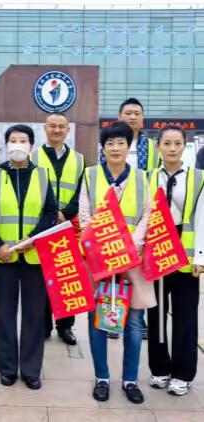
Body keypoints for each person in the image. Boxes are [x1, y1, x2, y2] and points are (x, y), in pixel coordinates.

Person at [80, 121, 156, 404]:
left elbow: (148, 212)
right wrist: (105, 248)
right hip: (100, 259)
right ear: (103, 147)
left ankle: (130, 380)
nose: (115, 147)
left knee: (135, 322)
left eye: (120, 142)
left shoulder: (139, 177)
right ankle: (102, 378)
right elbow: (84, 214)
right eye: (110, 143)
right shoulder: (90, 176)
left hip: (133, 260)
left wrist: (132, 244)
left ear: (128, 146)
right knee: (98, 318)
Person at [0, 124, 57, 390]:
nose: (17, 144)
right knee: (5, 314)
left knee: (34, 315)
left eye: (22, 140)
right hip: (3, 258)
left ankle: (31, 369)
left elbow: (50, 213)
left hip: (34, 257)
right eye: (12, 140)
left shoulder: (41, 174)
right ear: (6, 145)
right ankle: (7, 368)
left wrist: (33, 238)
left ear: (31, 146)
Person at [147, 125, 204, 396]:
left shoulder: (199, 178)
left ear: (185, 146)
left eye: (177, 143)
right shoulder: (146, 178)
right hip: (156, 255)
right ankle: (159, 369)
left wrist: (201, 257)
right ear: (158, 146)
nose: (172, 148)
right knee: (155, 315)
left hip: (185, 256)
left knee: (185, 317)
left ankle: (182, 374)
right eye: (167, 143)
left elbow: (203, 220)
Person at [101, 97, 158, 340]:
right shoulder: (108, 143)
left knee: (137, 274)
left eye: (137, 113)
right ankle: (113, 315)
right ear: (119, 115)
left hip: (140, 218)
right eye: (128, 113)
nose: (132, 117)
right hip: (111, 217)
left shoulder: (152, 147)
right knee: (112, 271)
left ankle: (137, 320)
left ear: (142, 118)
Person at [32, 113, 84, 345]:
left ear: (67, 130)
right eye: (52, 126)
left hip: (68, 225)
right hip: (42, 224)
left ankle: (65, 327)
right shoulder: (34, 156)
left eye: (61, 126)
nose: (56, 130)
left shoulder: (79, 159)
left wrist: (66, 213)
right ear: (45, 128)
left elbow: (82, 192)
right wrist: (51, 213)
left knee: (66, 277)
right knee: (42, 279)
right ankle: (43, 326)